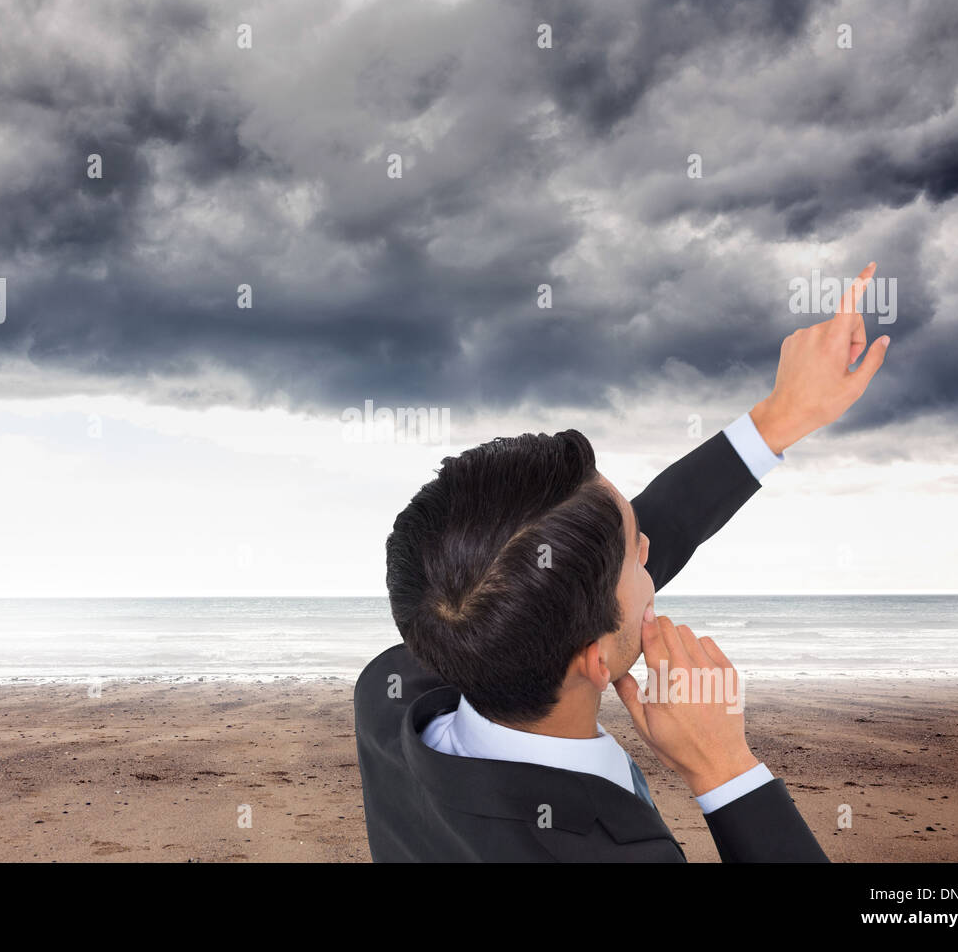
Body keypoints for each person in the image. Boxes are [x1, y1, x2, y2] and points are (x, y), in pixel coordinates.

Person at [354, 264, 890, 861]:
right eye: (636, 558)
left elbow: (576, 557)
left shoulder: (399, 687)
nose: (649, 550)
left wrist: (779, 418)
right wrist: (726, 772)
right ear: (594, 658)